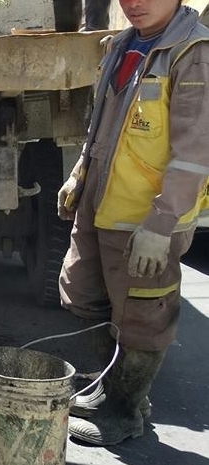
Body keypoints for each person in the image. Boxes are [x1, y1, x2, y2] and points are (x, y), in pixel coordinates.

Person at [57, 0, 209, 446]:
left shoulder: (191, 53)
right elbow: (104, 124)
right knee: (84, 296)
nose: (134, 3)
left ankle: (124, 410)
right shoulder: (125, 44)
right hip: (101, 203)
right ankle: (109, 388)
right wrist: (80, 171)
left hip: (146, 218)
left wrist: (161, 226)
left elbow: (196, 153)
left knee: (142, 317)